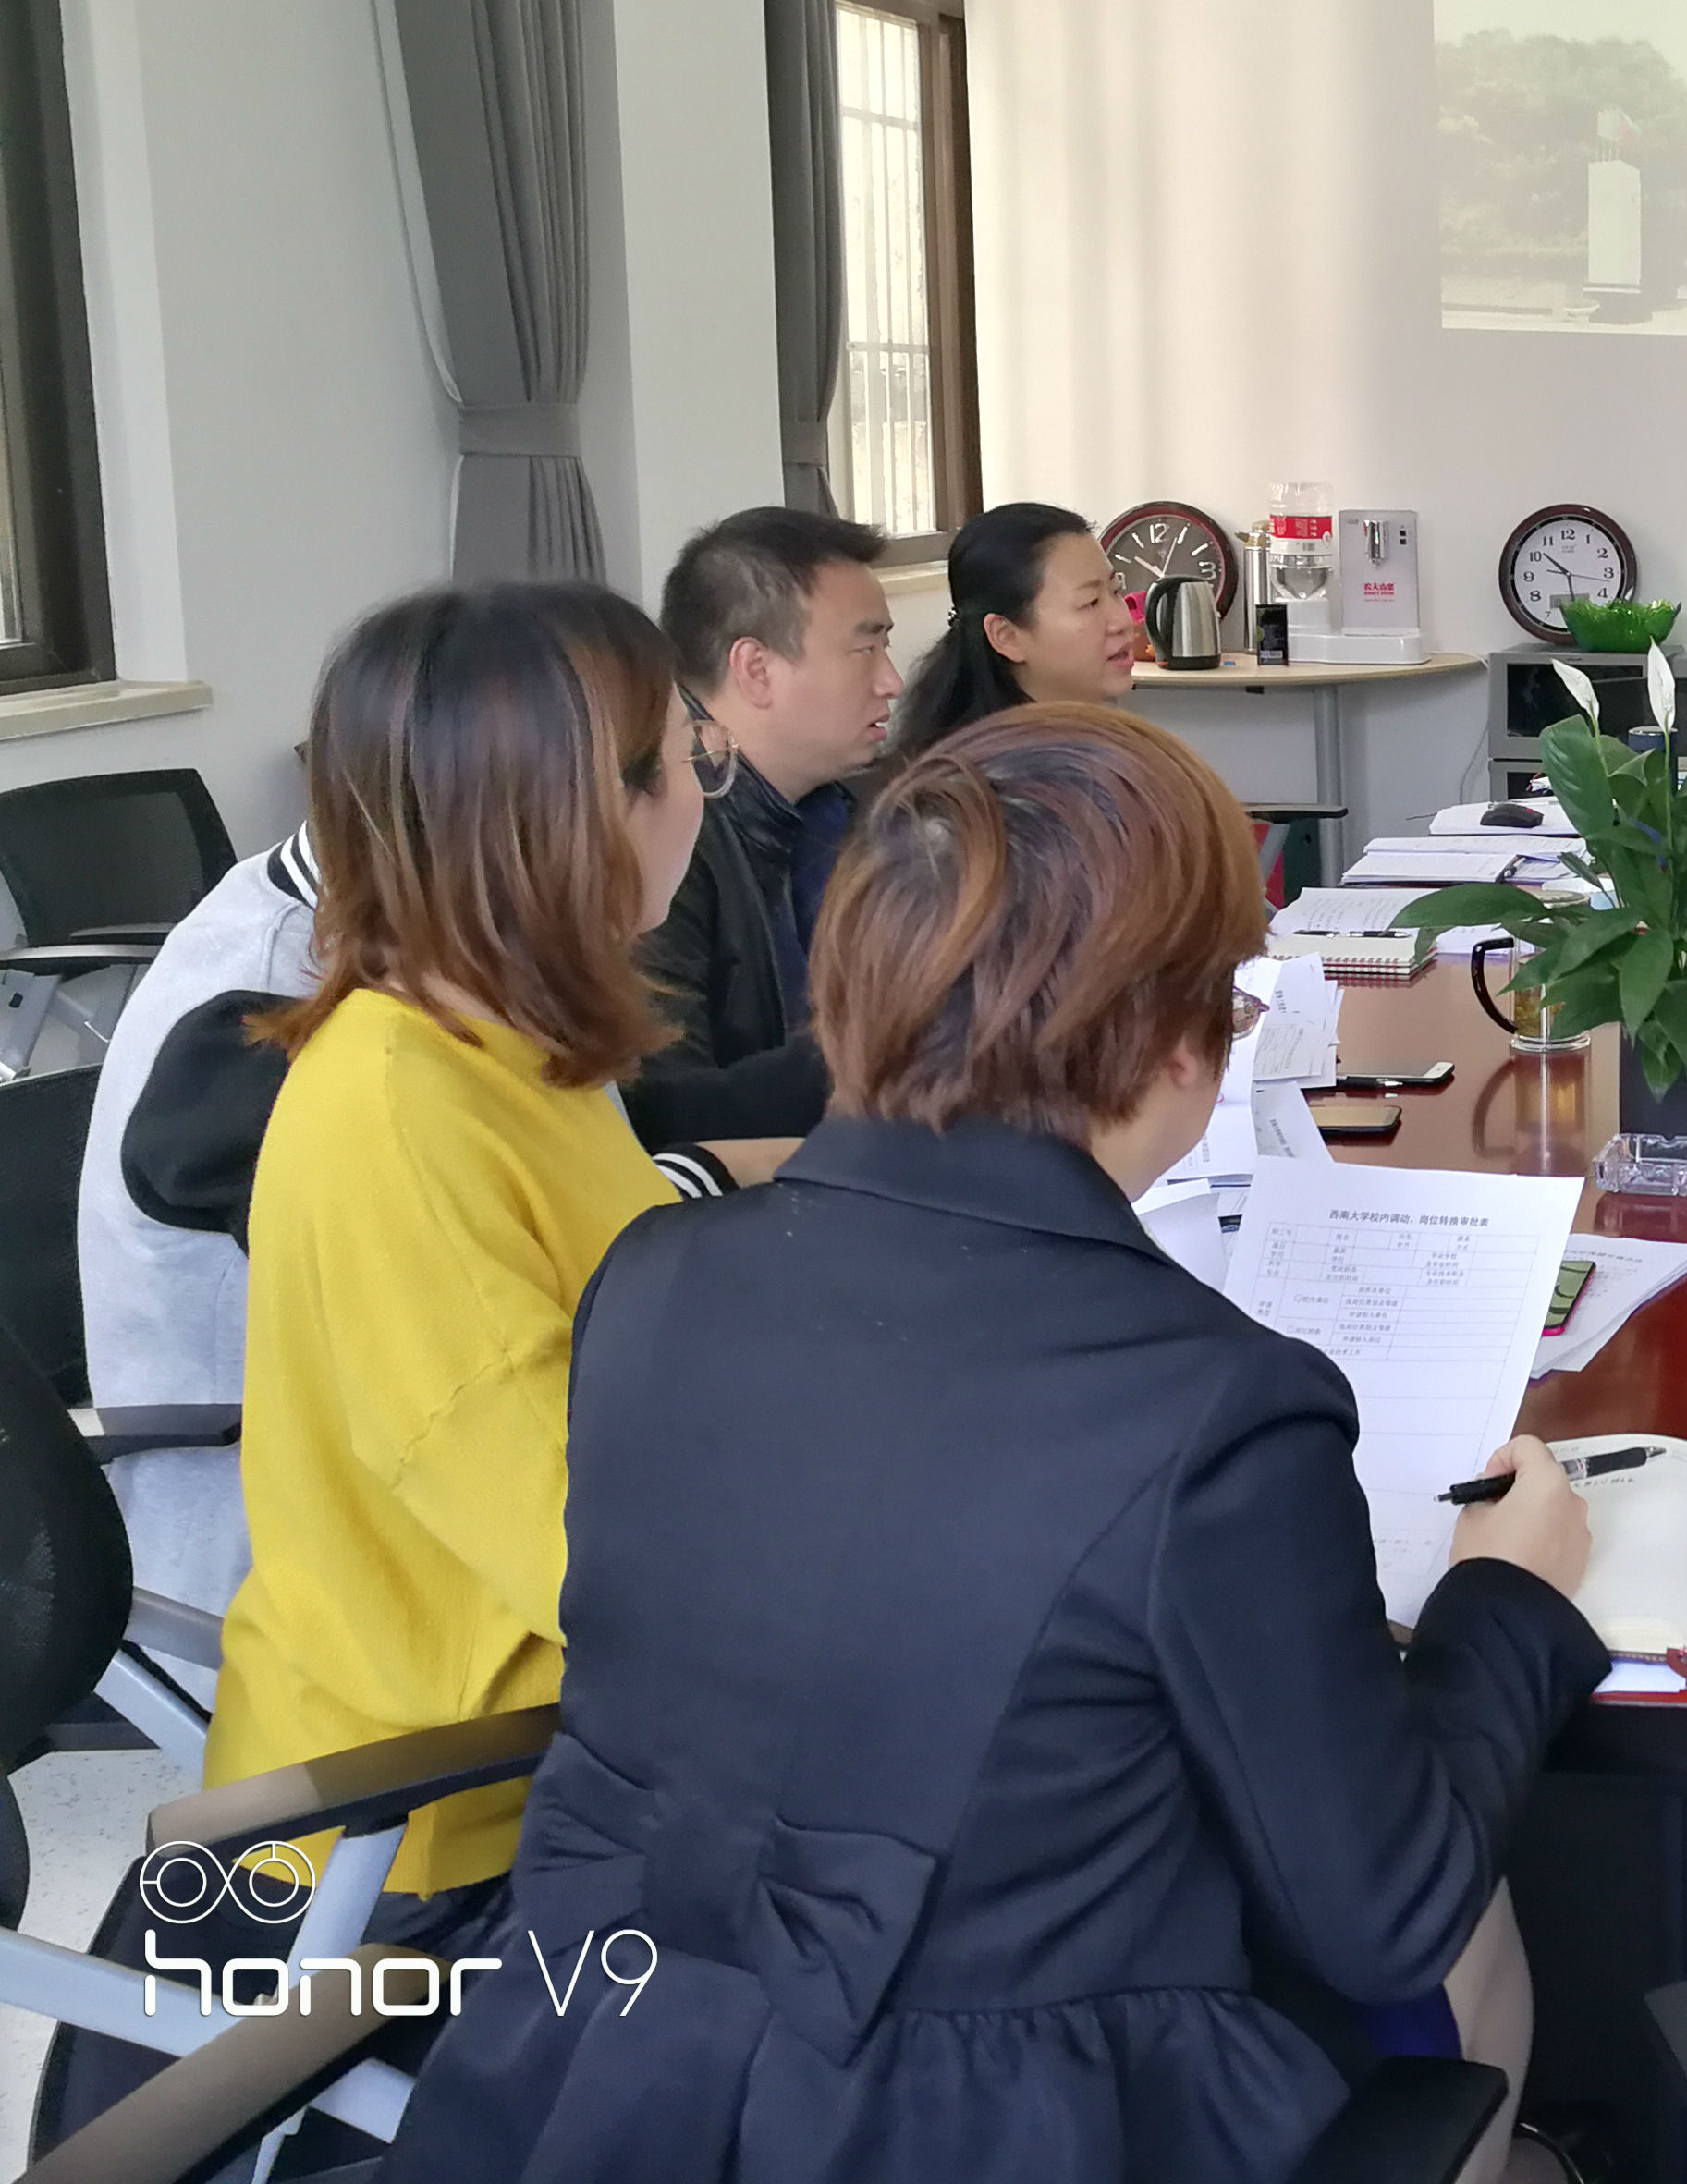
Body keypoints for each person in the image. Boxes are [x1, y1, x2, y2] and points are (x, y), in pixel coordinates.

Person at [385, 707, 1608, 2184]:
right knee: (1471, 1946)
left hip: (600, 2079)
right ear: (1178, 1040)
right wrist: (1506, 1602)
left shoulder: (652, 1281)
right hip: (992, 2120)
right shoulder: (1218, 1408)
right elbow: (1386, 1909)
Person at [208, 583, 760, 1920]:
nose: (705, 796)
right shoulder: (402, 1113)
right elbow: (596, 1561)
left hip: (567, 1736)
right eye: (692, 758)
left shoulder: (504, 1039)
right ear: (588, 813)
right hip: (440, 1832)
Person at [637, 506, 902, 1134]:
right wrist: (890, 1049)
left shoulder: (853, 807)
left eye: (886, 648)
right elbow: (663, 1110)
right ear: (755, 669)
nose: (892, 682)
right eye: (865, 649)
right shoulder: (656, 840)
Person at [890, 500, 1141, 752]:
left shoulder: (1102, 740)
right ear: (1007, 636)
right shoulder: (993, 768)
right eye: (1090, 602)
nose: (1122, 622)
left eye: (1116, 591)